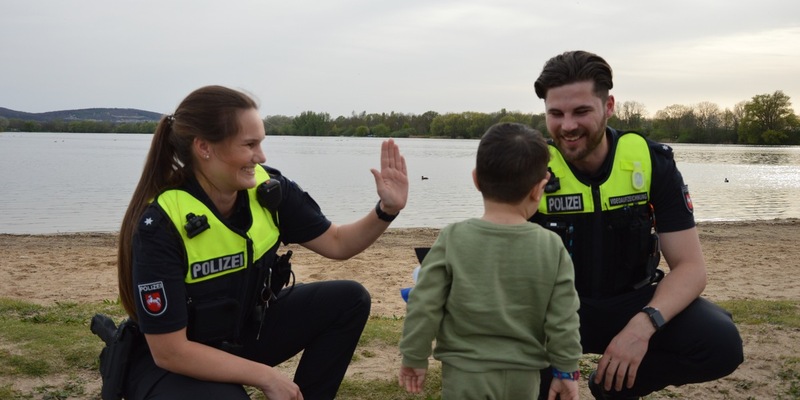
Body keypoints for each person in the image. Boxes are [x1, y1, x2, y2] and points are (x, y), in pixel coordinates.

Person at [113, 85, 408, 400]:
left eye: (261, 143)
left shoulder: (268, 191)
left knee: (350, 299)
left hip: (241, 334)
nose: (261, 156)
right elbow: (169, 352)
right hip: (171, 362)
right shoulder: (161, 224)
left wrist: (386, 210)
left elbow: (337, 243)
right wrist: (266, 377)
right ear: (204, 147)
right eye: (249, 144)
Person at [530, 51, 744, 400]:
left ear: (609, 105)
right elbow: (497, 245)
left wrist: (642, 326)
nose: (567, 126)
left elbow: (690, 268)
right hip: (554, 311)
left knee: (721, 343)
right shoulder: (531, 164)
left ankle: (614, 386)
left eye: (581, 111)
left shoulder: (650, 161)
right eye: (556, 113)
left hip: (633, 300)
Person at [398, 122, 582, 400]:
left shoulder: (453, 238)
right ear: (539, 188)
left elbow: (425, 302)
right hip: (524, 375)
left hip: (465, 373)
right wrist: (566, 370)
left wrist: (414, 355)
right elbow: (563, 317)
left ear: (475, 179)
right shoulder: (551, 246)